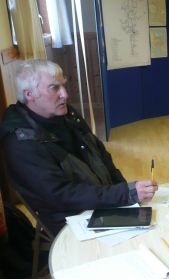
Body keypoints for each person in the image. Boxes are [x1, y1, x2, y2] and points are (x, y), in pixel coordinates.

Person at [0, 59, 158, 236]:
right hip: (71, 220)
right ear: (29, 94)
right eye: (54, 88)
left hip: (101, 204)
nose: (65, 95)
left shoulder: (67, 114)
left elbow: (102, 157)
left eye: (63, 86)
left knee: (157, 223)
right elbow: (61, 196)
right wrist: (122, 193)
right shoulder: (20, 141)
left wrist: (127, 195)